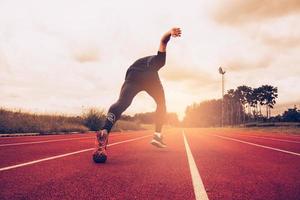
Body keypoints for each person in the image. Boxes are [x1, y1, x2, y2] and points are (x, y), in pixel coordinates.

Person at [93, 27, 182, 163]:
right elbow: (163, 41)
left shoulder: (154, 60)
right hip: (150, 78)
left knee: (122, 103)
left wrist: (169, 33)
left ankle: (105, 129)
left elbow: (163, 41)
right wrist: (170, 32)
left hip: (133, 74)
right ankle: (157, 134)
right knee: (161, 103)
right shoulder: (159, 61)